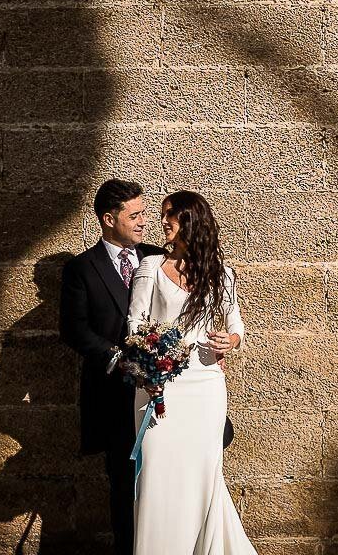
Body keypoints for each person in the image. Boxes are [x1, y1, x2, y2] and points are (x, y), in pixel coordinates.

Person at [126, 190, 256, 555]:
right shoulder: (150, 268)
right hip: (159, 386)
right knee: (156, 470)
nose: (163, 221)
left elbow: (237, 326)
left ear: (191, 222)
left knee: (201, 475)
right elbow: (134, 325)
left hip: (206, 385)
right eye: (164, 214)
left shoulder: (221, 274)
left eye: (172, 215)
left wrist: (230, 341)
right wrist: (146, 367)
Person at [59, 179, 168, 555]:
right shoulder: (81, 269)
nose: (144, 222)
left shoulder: (159, 258)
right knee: (124, 486)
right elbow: (74, 329)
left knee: (165, 483)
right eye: (135, 215)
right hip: (114, 397)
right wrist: (118, 357)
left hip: (162, 394)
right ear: (108, 219)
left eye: (144, 214)